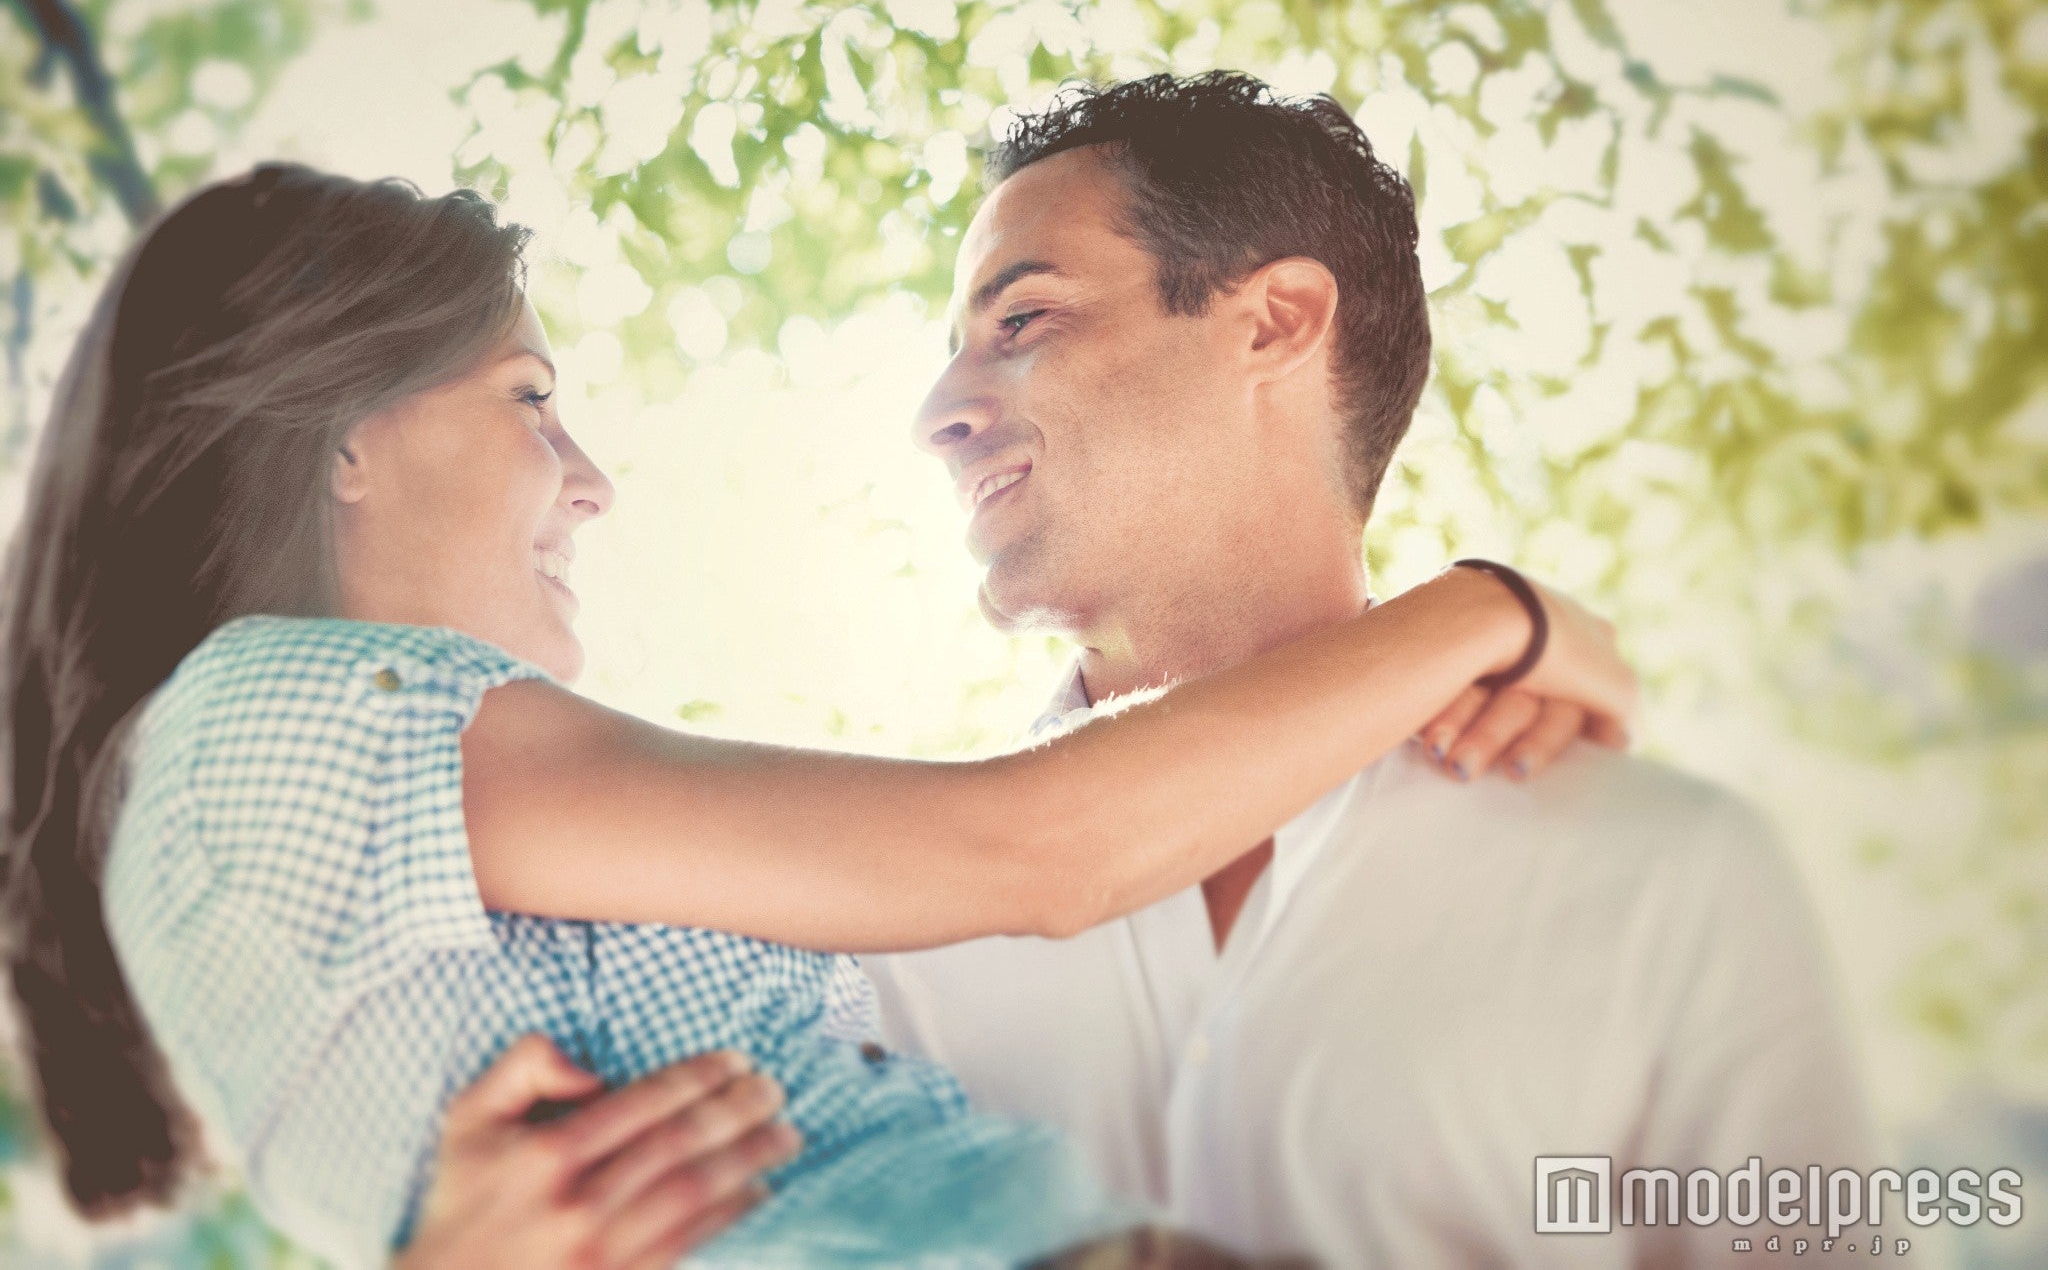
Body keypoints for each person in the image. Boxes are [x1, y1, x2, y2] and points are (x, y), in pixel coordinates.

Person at [0, 163, 1633, 1268]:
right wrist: (1488, 610)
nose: (588, 481)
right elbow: (1036, 845)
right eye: (527, 397)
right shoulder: (276, 714)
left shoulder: (231, 809)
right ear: (341, 429)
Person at [847, 73, 1881, 1268]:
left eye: (1021, 321)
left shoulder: (1664, 874)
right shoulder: (870, 941)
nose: (936, 411)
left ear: (1274, 321)